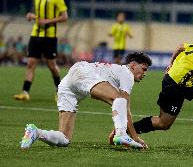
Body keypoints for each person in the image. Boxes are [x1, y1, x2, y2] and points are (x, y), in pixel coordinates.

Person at [20, 52, 152, 150]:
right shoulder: (127, 73)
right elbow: (122, 104)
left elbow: (122, 108)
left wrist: (119, 129)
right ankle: (121, 134)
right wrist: (132, 136)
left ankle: (35, 132)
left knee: (64, 139)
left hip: (69, 83)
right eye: (144, 69)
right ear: (133, 65)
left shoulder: (118, 72)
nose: (145, 73)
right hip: (82, 72)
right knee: (118, 99)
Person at [14, 0, 68, 101]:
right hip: (35, 35)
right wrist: (31, 16)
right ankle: (25, 92)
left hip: (50, 37)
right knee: (30, 63)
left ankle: (60, 91)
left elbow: (64, 16)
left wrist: (48, 21)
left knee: (52, 65)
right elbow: (39, 17)